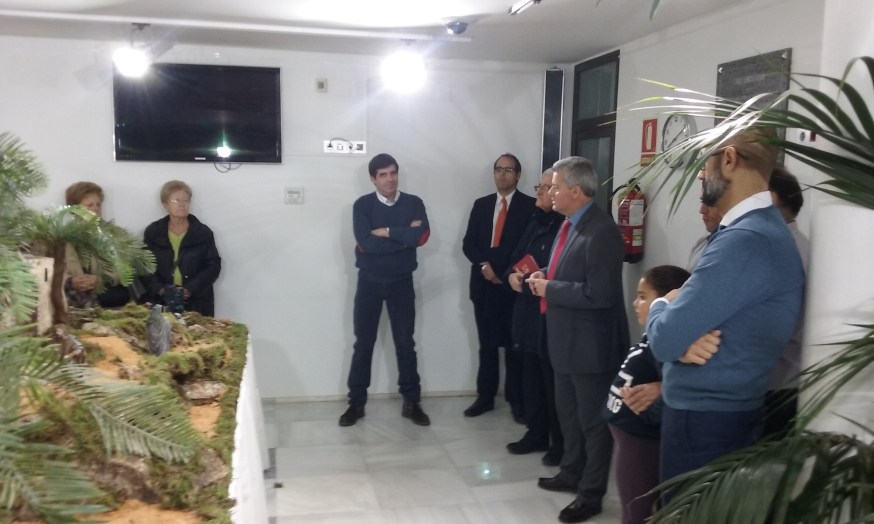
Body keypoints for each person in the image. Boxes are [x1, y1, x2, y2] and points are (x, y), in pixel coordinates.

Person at [646, 129, 805, 495]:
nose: (700, 175)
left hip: (706, 422)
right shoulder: (756, 230)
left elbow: (665, 338)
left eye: (705, 164)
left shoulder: (746, 240)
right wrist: (681, 335)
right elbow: (681, 335)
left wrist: (661, 303)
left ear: (729, 159)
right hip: (719, 414)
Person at [526, 156, 629, 523]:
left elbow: (600, 294)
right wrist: (544, 274)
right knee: (569, 417)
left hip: (591, 347)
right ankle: (571, 473)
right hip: (565, 341)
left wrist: (549, 288)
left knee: (592, 425)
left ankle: (591, 494)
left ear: (575, 190)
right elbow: (566, 271)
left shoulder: (602, 231)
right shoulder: (568, 224)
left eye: (555, 187)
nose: (549, 192)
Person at [339, 153, 431, 427]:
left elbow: (422, 236)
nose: (390, 179)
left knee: (405, 342)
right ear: (373, 179)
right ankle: (356, 403)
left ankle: (412, 402)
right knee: (363, 344)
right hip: (369, 282)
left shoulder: (414, 203)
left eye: (393, 173)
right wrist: (405, 237)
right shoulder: (362, 206)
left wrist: (388, 231)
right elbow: (366, 244)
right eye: (383, 175)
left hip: (401, 282)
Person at [603, 265, 690, 524]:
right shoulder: (651, 335)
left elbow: (676, 381)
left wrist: (661, 389)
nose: (635, 303)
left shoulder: (667, 344)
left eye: (643, 297)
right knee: (632, 508)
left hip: (641, 441)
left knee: (637, 513)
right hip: (629, 437)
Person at [462, 153, 536, 419]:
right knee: (487, 345)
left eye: (508, 170)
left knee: (515, 346)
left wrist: (504, 274)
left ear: (518, 175)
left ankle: (517, 400)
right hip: (483, 285)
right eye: (498, 169)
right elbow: (469, 243)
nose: (502, 174)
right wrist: (484, 266)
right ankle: (485, 397)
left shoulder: (530, 206)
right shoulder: (481, 205)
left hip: (512, 287)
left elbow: (527, 247)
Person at [505, 169, 565, 465]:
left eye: (545, 187)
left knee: (551, 382)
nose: (540, 192)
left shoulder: (565, 227)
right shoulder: (534, 221)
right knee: (532, 378)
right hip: (527, 312)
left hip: (551, 314)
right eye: (539, 187)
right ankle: (536, 433)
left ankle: (559, 442)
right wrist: (512, 275)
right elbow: (516, 258)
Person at [764, 165, 809, 437]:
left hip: (775, 382)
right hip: (788, 378)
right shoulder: (802, 245)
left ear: (772, 199)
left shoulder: (780, 251)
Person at [142, 180, 221, 316]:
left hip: (197, 302)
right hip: (160, 301)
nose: (182, 204)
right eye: (176, 200)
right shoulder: (153, 231)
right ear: (165, 204)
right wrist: (161, 290)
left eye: (186, 200)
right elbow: (144, 266)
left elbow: (213, 266)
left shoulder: (202, 232)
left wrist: (190, 289)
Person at [63, 181, 135, 309]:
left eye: (98, 204)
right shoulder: (62, 236)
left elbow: (124, 268)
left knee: (118, 294)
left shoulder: (116, 234)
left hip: (105, 291)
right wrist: (70, 281)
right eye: (89, 205)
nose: (95, 208)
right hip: (73, 291)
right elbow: (52, 270)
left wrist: (100, 280)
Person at [687, 197, 722, 270]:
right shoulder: (701, 243)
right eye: (702, 201)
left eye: (710, 203)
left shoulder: (734, 249)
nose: (702, 210)